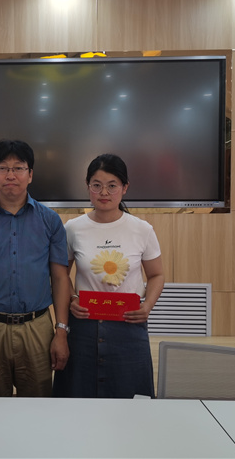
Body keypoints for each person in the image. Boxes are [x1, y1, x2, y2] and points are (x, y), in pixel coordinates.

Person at [0, 139, 72, 397]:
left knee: (37, 405)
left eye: (18, 168)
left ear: (30, 174)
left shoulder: (50, 220)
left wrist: (61, 331)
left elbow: (60, 278)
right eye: (2, 168)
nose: (10, 175)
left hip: (37, 326)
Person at [52, 153, 164, 398]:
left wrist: (147, 306)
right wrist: (72, 298)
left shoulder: (142, 230)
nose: (104, 192)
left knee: (130, 400)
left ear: (125, 188)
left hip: (128, 326)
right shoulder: (73, 228)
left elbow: (156, 275)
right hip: (83, 327)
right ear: (88, 187)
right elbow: (61, 275)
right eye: (97, 185)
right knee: (77, 397)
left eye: (112, 186)